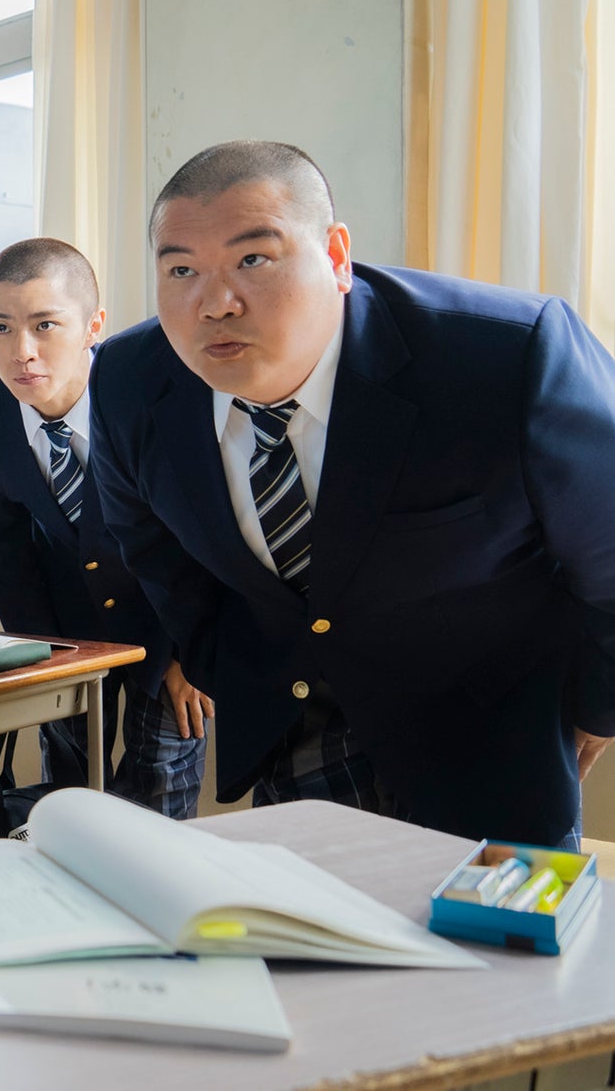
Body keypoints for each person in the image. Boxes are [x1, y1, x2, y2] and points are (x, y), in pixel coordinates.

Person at [90, 140, 615, 846]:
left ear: (336, 257)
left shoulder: (507, 356)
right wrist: (232, 665)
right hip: (292, 739)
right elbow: (152, 547)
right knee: (300, 950)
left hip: (484, 742)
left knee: (494, 957)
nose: (214, 302)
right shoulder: (129, 381)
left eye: (253, 258)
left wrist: (594, 707)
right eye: (181, 268)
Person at [0, 238, 207, 818]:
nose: (22, 352)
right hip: (62, 625)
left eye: (45, 325)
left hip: (167, 620)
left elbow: (203, 531)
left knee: (157, 802)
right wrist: (42, 657)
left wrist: (195, 653)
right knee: (67, 802)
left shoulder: (151, 390)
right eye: (1, 328)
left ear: (93, 326)